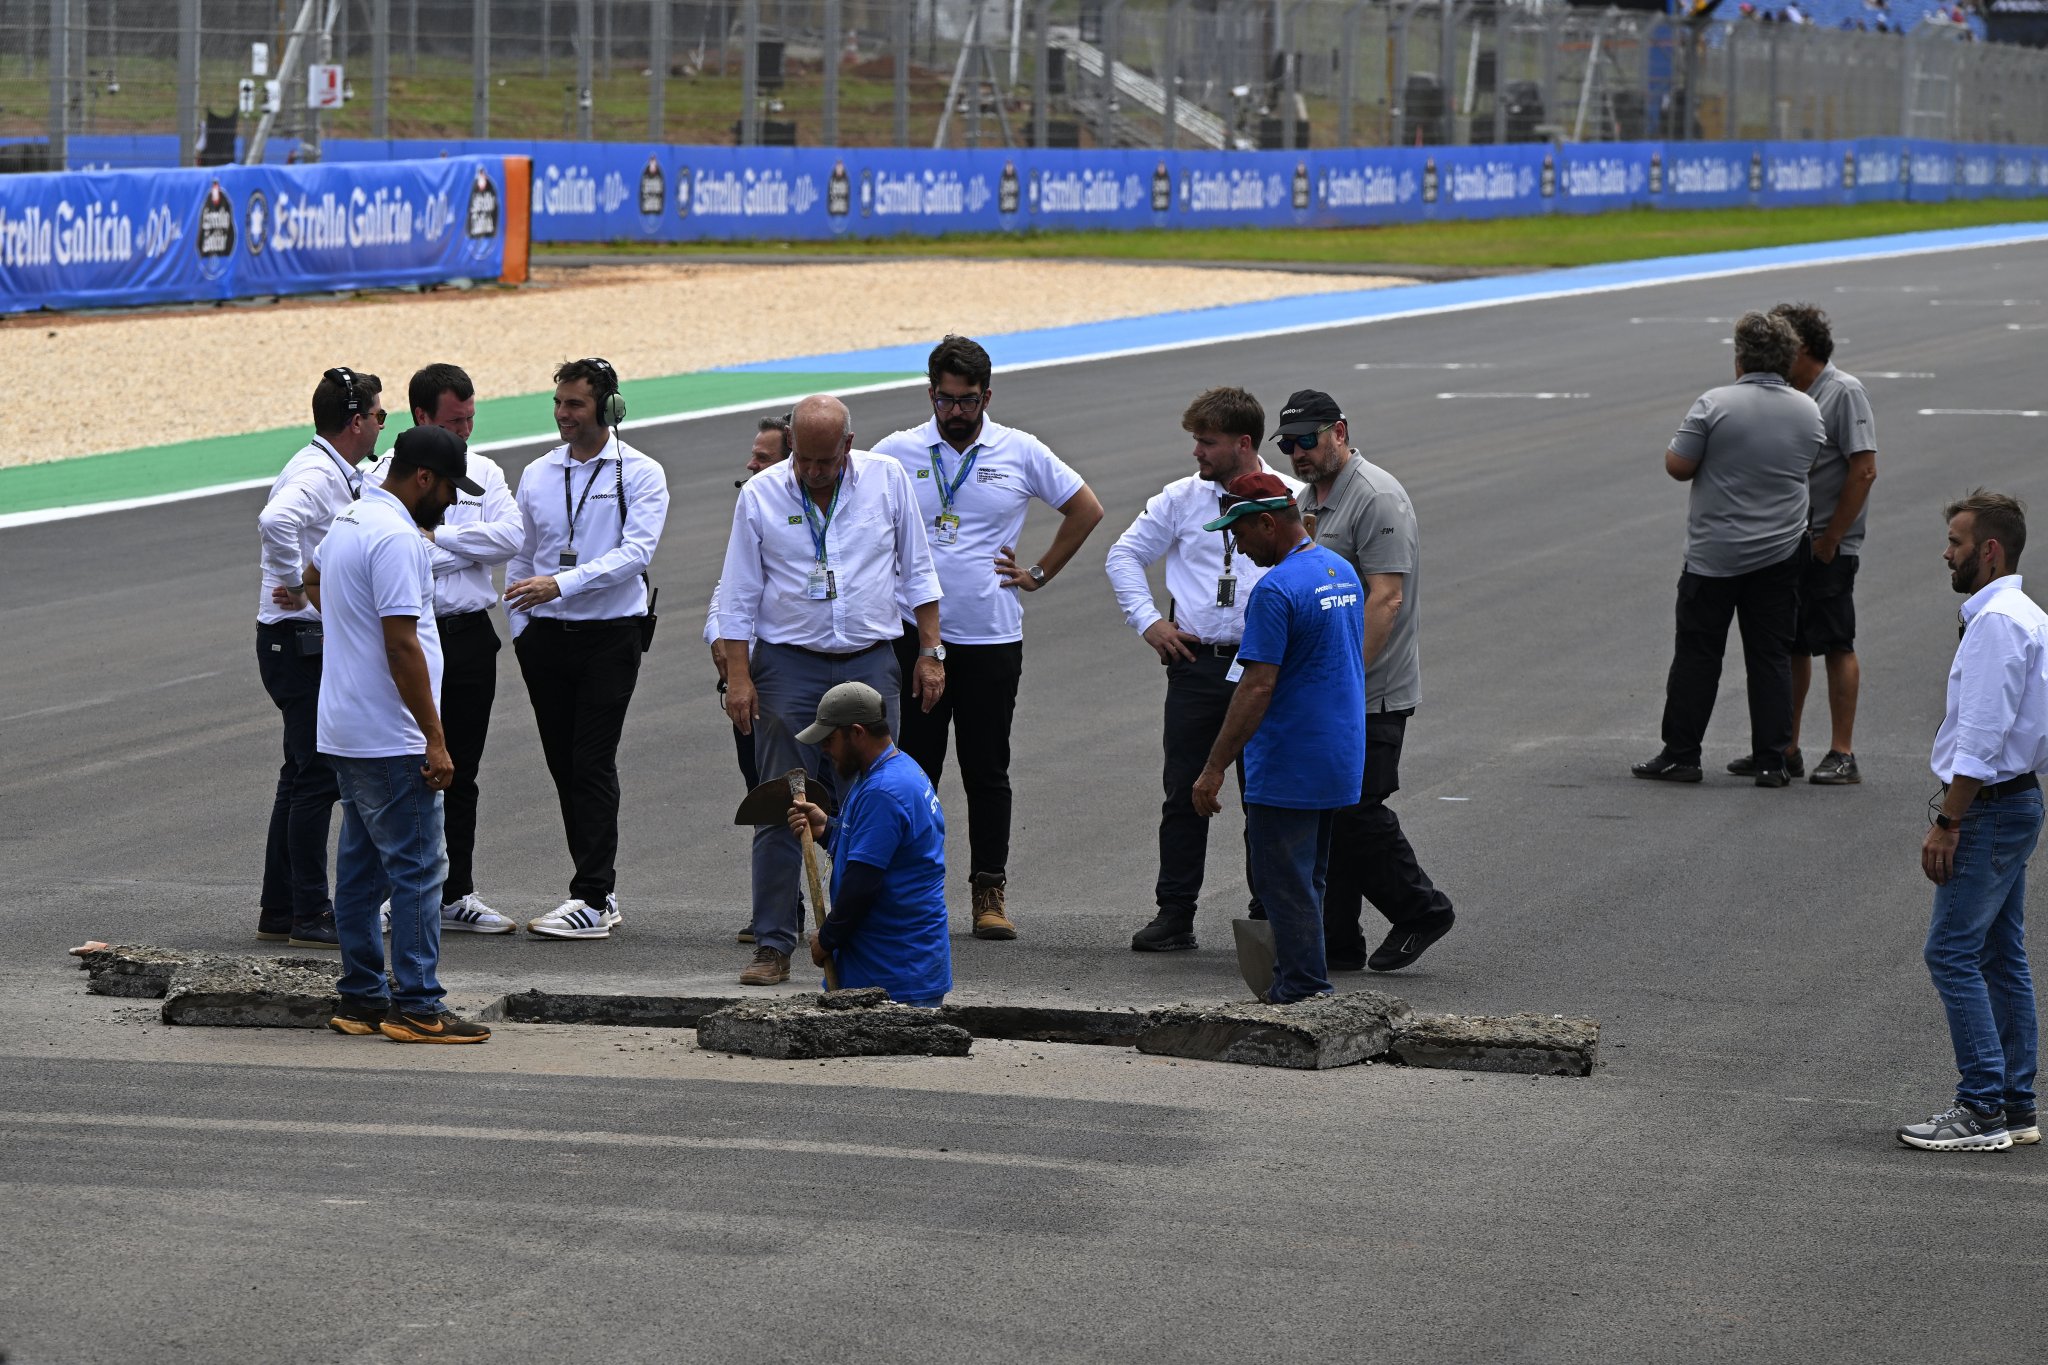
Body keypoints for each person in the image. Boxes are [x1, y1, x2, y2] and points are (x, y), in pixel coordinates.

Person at [870, 336, 1104, 941]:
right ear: (930, 394)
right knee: (911, 769)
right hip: (911, 636)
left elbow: (1087, 509)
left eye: (967, 400)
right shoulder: (896, 452)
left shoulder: (1019, 450)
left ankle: (989, 894)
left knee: (986, 768)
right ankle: (906, 891)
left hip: (992, 636)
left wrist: (1039, 573)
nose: (955, 411)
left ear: (987, 396)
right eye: (945, 399)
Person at [717, 394, 944, 986]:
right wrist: (739, 678)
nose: (814, 472)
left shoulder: (887, 479)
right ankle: (773, 943)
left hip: (869, 662)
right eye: (803, 459)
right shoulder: (761, 496)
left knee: (867, 803)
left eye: (825, 460)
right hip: (788, 667)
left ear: (848, 445)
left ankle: (852, 935)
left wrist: (929, 652)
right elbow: (738, 593)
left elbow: (918, 569)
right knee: (781, 804)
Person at [311, 424, 491, 1044]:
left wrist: (346, 629)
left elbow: (311, 581)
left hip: (345, 727)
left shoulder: (350, 520)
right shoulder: (396, 538)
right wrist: (435, 738)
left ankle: (361, 997)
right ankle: (417, 1004)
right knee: (418, 869)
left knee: (360, 872)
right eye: (447, 488)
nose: (450, 499)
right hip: (391, 735)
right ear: (422, 478)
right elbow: (402, 645)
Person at [1106, 387, 1303, 952]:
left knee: (1265, 795)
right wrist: (1150, 624)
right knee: (1183, 793)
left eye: (1207, 442)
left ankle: (1268, 914)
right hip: (1197, 665)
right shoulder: (1178, 498)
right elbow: (1123, 555)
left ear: (1243, 443)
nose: (1197, 452)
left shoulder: (1291, 496)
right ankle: (1175, 913)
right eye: (1195, 440)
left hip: (1267, 666)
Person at [1279, 389, 1456, 973]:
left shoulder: (1376, 497)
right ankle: (1338, 939)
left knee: (1356, 809)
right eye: (1289, 444)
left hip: (1368, 690)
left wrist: (1343, 681)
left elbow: (1387, 598)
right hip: (1330, 687)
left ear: (1339, 431)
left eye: (1308, 439)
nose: (1299, 453)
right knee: (1333, 811)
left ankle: (1420, 909)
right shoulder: (1309, 497)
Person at [1899, 491, 2046, 1152]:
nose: (1946, 552)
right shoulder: (2025, 614)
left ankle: (1982, 1106)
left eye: (1956, 542)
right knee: (1998, 952)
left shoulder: (1995, 623)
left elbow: (1981, 736)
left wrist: (1948, 820)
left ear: (1990, 550)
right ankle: (2015, 1103)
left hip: (1988, 805)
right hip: (2018, 798)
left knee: (1952, 950)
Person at [505, 358, 671, 939]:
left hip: (610, 635)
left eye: (575, 404)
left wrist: (562, 584)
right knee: (563, 765)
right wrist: (521, 625)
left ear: (607, 407)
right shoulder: (537, 473)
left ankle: (592, 897)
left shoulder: (641, 472)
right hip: (544, 638)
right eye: (558, 403)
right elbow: (522, 554)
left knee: (591, 761)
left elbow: (636, 553)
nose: (563, 415)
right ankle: (598, 886)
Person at [1190, 472, 1365, 1004]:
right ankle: (1304, 981)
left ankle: (1302, 990)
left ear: (1267, 522)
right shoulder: (1341, 571)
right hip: (1338, 752)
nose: (1237, 547)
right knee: (1309, 878)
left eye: (1239, 534)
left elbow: (1257, 685)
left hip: (1289, 758)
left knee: (1282, 882)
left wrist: (1215, 765)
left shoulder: (1276, 589)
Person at [1632, 312, 1822, 787]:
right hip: (1780, 550)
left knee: (1698, 654)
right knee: (1771, 657)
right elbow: (1808, 462)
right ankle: (1773, 759)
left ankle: (1682, 753)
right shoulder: (1807, 410)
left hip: (1715, 553)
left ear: (1739, 359)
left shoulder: (1714, 404)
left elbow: (1678, 465)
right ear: (1786, 360)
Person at [366, 363, 522, 934]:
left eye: (471, 417)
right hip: (414, 636)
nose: (467, 430)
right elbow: (409, 556)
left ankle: (456, 892)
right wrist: (460, 549)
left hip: (472, 634)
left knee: (464, 770)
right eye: (456, 421)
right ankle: (397, 890)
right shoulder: (382, 478)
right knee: (406, 765)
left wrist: (440, 537)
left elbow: (512, 537)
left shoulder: (484, 470)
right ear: (423, 417)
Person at [255, 367, 383, 949]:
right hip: (297, 639)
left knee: (299, 776)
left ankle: (280, 909)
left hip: (292, 638)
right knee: (316, 779)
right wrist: (297, 584)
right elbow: (275, 520)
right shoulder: (314, 470)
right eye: (379, 416)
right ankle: (309, 912)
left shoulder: (333, 467)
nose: (382, 425)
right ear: (356, 422)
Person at [1740, 301, 1877, 787]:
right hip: (1790, 539)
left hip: (1828, 543)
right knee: (1792, 643)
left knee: (1836, 640)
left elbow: (1863, 468)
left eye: (1781, 344)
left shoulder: (1843, 392)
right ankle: (1787, 746)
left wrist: (1833, 537)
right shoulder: (1790, 395)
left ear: (1801, 348)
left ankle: (1843, 751)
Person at [785, 682, 952, 1007]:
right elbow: (883, 852)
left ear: (857, 732)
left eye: (830, 739)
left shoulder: (883, 792)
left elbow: (862, 885)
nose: (825, 750)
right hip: (900, 967)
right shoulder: (899, 769)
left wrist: (827, 939)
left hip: (892, 977)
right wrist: (829, 831)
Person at [708, 414, 797, 946]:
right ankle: (782, 912)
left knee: (830, 800)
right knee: (765, 796)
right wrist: (717, 638)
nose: (750, 464)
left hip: (798, 678)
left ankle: (851, 911)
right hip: (753, 682)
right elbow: (728, 588)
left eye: (763, 457)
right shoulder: (755, 505)